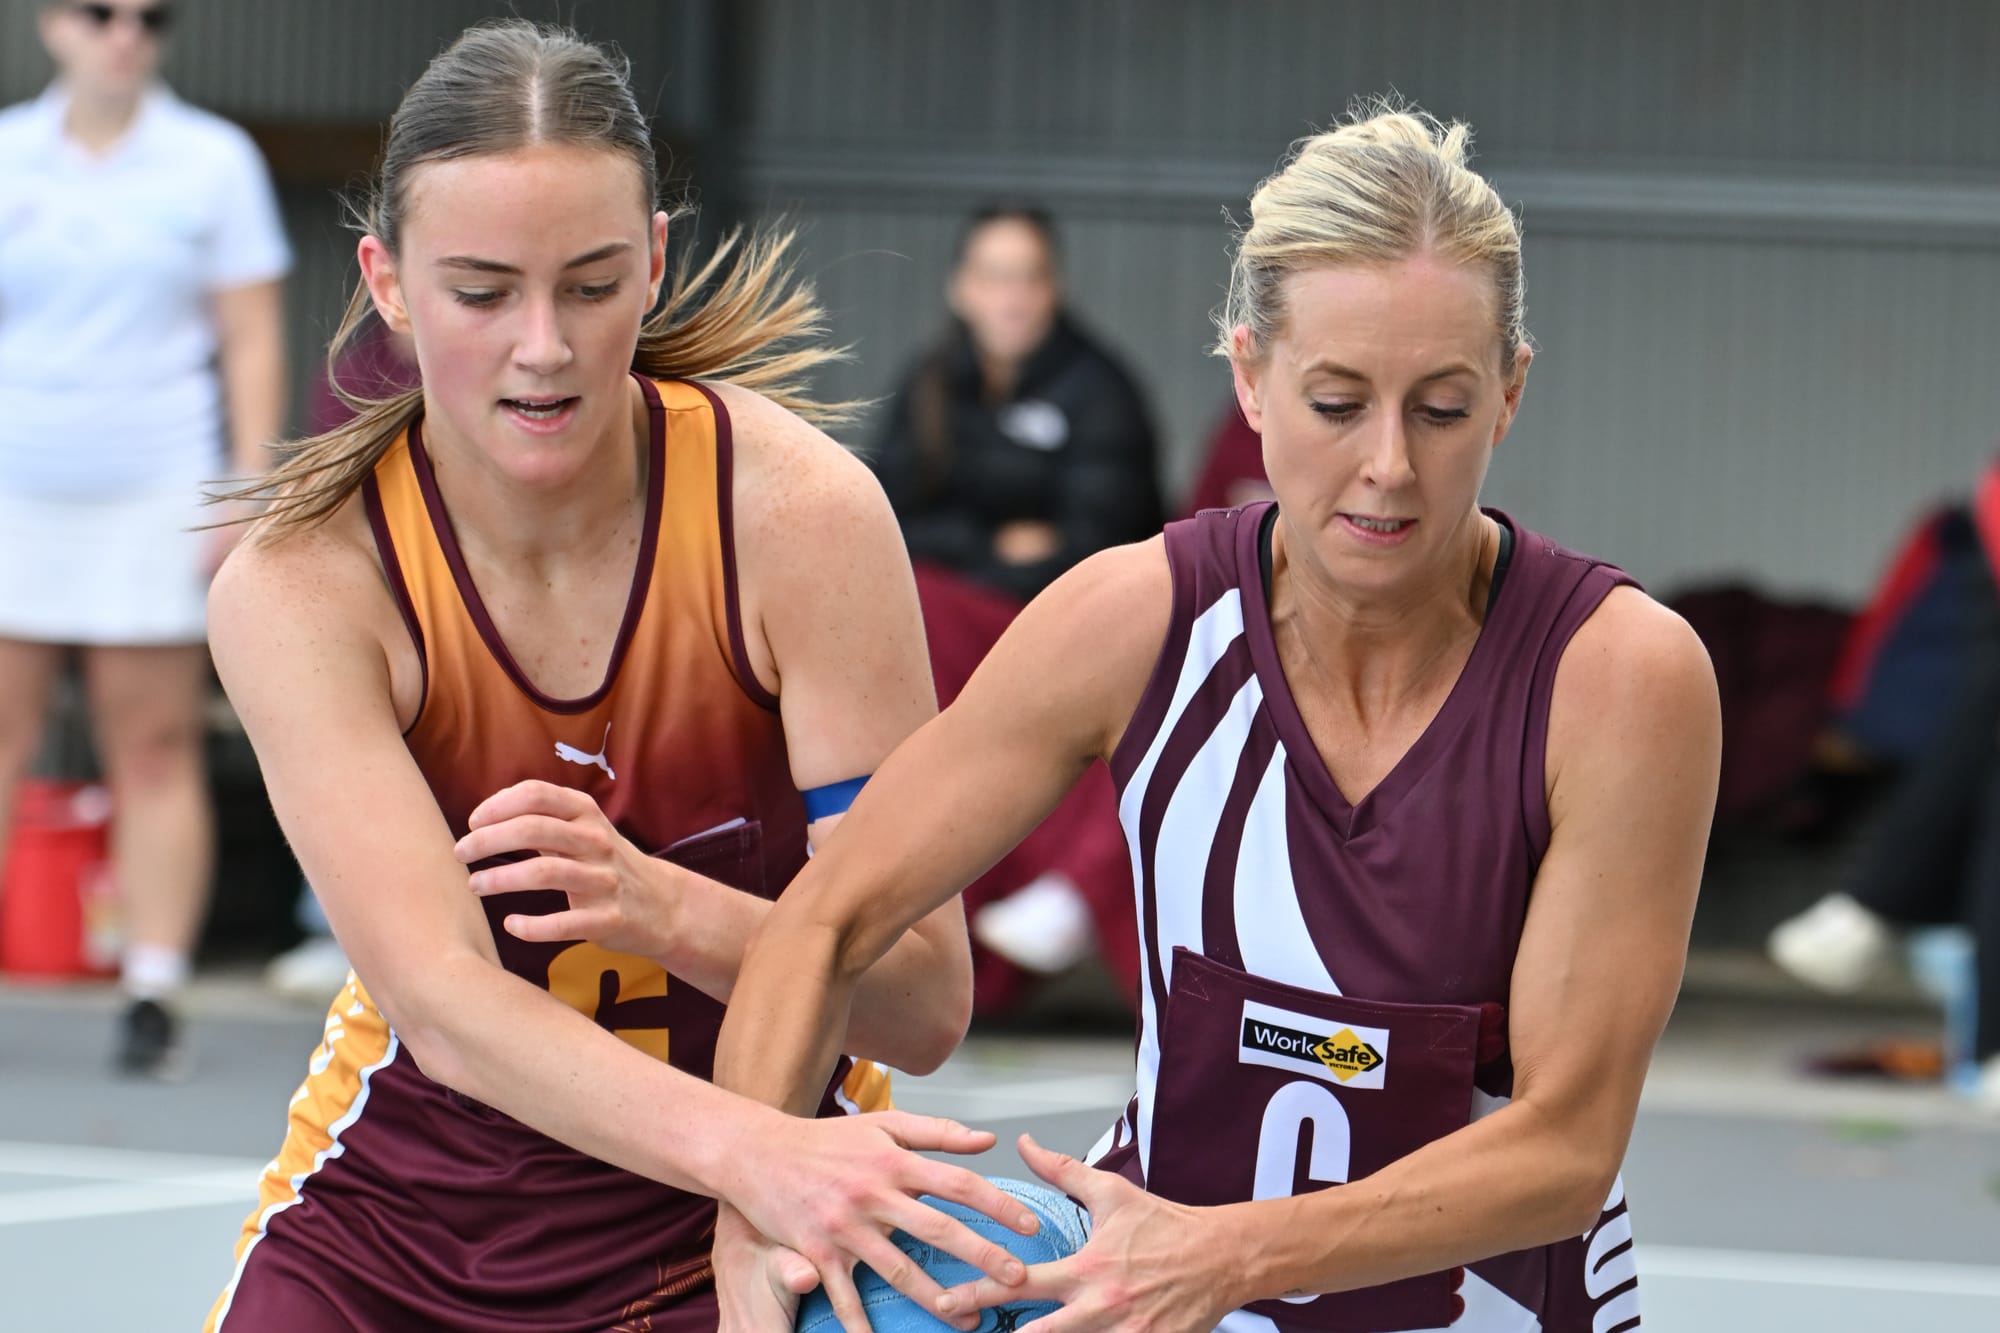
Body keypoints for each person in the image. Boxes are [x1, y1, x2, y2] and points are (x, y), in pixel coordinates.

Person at [700, 104, 1722, 1332]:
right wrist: (751, 1217)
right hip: (1153, 1287)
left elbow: (1565, 1144)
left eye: (1441, 409)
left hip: (1464, 1308)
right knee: (866, 1291)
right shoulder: (1134, 618)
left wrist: (1222, 1258)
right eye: (1336, 402)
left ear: (1508, 394)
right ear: (1246, 376)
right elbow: (823, 919)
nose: (1389, 465)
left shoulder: (1615, 677)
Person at [200, 21, 1035, 1331]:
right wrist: (751, 1152)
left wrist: (664, 907)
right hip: (409, 1227)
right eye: (482, 292)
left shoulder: (794, 517)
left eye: (590, 285)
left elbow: (924, 999)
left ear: (652, 259)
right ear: (389, 283)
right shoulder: (304, 585)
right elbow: (452, 1011)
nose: (544, 346)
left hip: (751, 1212)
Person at [0, 0, 290, 1076]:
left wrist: (243, 489)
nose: (126, 34)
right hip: (15, 486)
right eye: (100, 13)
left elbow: (250, 331)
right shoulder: (6, 157)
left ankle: (152, 986)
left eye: (151, 18)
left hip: (152, 488)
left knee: (153, 742)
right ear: (51, 24)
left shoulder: (213, 163)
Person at [870, 207, 1165, 1005]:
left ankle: (1069, 888)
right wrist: (1000, 546)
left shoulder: (1101, 391)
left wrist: (985, 549)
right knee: (911, 618)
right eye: (995, 277)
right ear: (963, 289)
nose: (1012, 298)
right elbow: (887, 520)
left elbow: (1100, 538)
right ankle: (915, 904)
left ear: (1052, 289)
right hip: (970, 607)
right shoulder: (930, 384)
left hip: (1075, 617)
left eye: (1028, 278)